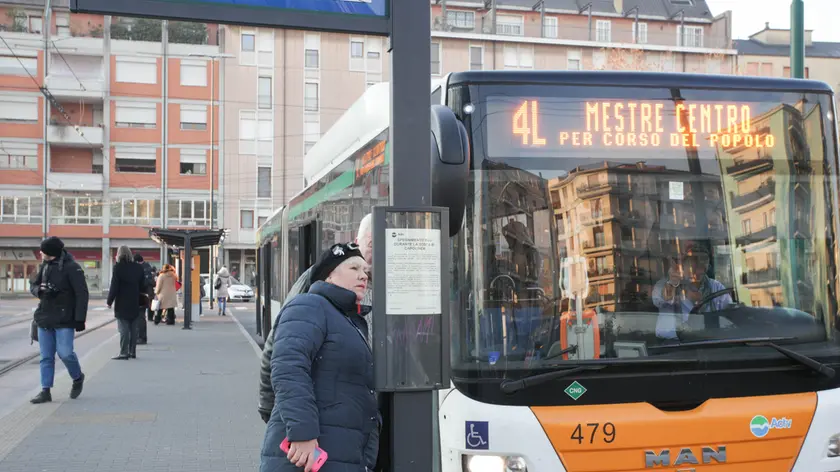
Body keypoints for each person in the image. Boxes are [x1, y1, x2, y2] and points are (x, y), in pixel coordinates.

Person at [260, 242, 378, 472]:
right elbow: (288, 368)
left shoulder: (348, 320)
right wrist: (302, 433)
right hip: (307, 455)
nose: (363, 275)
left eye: (365, 271)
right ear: (329, 276)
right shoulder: (309, 305)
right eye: (354, 268)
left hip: (337, 451)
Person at [258, 214, 373, 423]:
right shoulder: (310, 299)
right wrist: (271, 409)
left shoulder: (386, 287)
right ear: (357, 242)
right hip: (322, 426)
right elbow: (283, 358)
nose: (363, 275)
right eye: (373, 243)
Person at [29, 236, 89, 404]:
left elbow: (82, 294)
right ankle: (45, 390)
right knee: (46, 357)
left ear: (51, 253)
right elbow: (32, 285)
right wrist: (39, 291)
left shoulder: (72, 268)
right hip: (45, 317)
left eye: (43, 251)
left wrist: (79, 319)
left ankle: (77, 377)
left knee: (66, 353)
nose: (41, 253)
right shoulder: (45, 267)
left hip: (64, 318)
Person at [652, 245, 733, 340]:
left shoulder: (716, 287)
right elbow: (660, 299)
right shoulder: (664, 284)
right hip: (671, 344)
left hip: (708, 342)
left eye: (703, 262)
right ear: (683, 265)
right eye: (694, 262)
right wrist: (672, 283)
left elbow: (729, 314)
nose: (698, 268)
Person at [107, 246, 147, 360]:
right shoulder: (138, 268)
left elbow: (114, 286)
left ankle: (124, 352)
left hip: (122, 302)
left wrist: (109, 301)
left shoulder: (118, 268)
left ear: (119, 255)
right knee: (134, 328)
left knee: (123, 328)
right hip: (135, 301)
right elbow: (143, 285)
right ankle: (132, 351)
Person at [134, 254, 156, 344]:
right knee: (142, 316)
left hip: (141, 295)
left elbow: (141, 282)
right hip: (148, 293)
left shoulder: (140, 268)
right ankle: (142, 337)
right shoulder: (148, 267)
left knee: (140, 317)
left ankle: (141, 337)